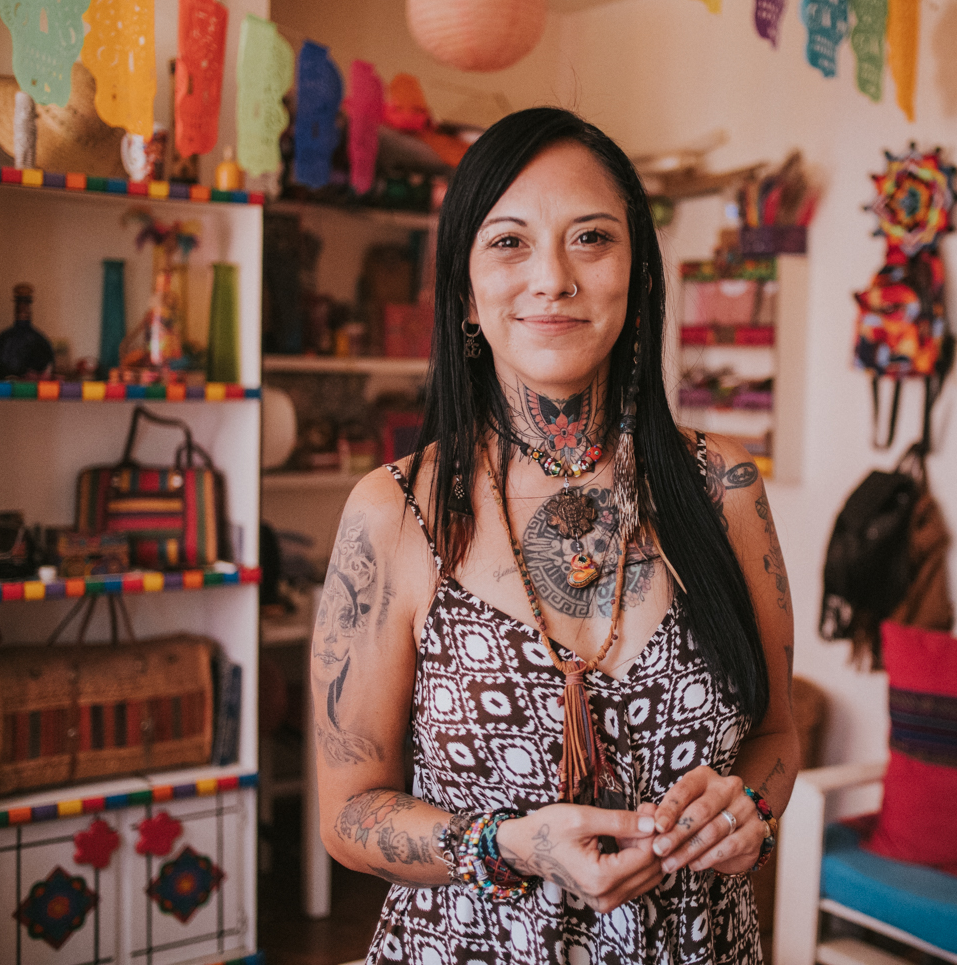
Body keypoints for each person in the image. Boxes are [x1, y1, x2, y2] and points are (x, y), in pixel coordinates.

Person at [312, 107, 799, 965]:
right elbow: (348, 813)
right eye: (509, 242)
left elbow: (777, 735)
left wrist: (750, 815)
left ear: (641, 276)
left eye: (591, 239)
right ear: (464, 289)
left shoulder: (723, 490)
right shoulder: (394, 513)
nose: (552, 279)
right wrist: (507, 846)